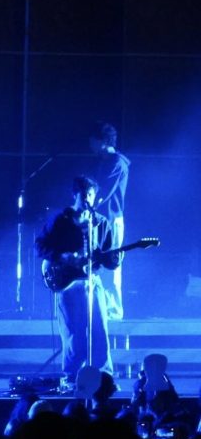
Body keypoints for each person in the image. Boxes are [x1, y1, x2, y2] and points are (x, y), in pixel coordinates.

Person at [35, 176, 118, 390]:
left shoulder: (100, 222)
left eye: (91, 194)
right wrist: (63, 257)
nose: (88, 198)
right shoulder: (60, 221)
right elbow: (40, 246)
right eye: (84, 194)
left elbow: (110, 257)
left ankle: (104, 378)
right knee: (74, 332)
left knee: (99, 329)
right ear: (75, 195)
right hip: (68, 283)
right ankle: (72, 377)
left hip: (92, 281)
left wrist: (114, 258)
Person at [89, 121, 130, 320]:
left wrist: (89, 205)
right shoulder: (105, 162)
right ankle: (103, 309)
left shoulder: (117, 162)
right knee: (99, 264)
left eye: (93, 140)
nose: (90, 145)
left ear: (103, 141)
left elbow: (103, 192)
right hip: (102, 221)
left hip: (112, 221)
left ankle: (114, 312)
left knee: (111, 266)